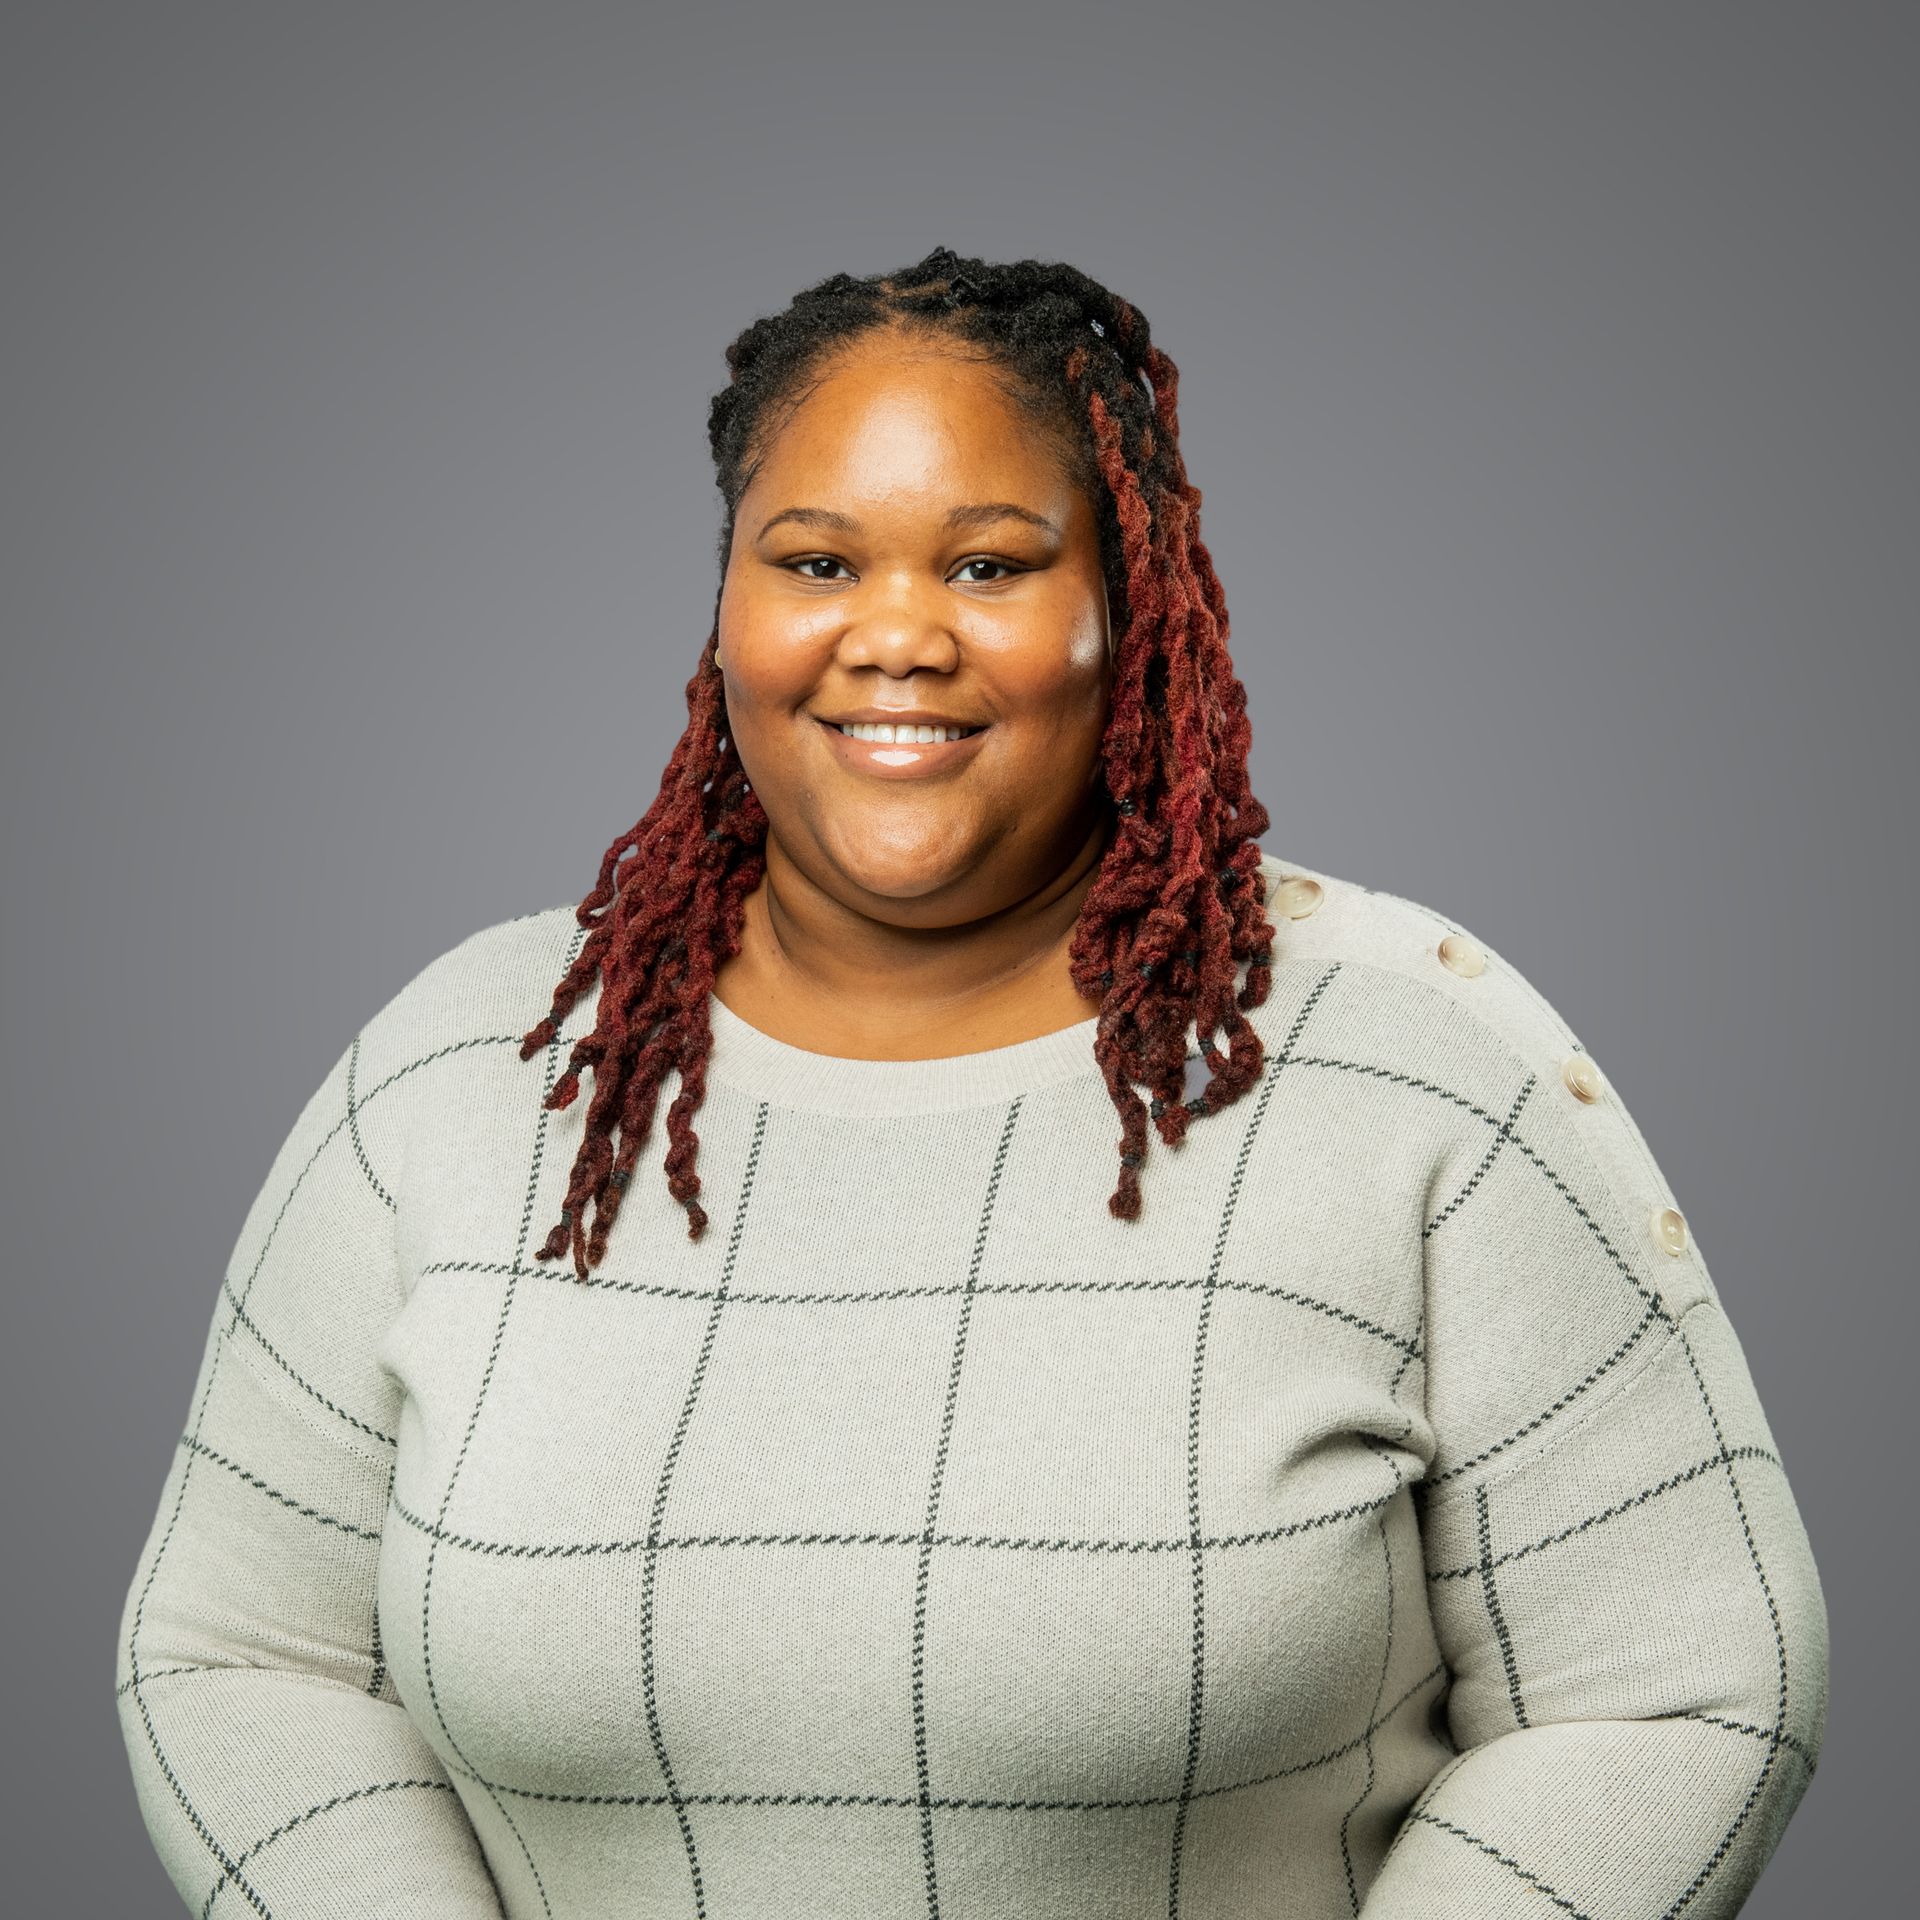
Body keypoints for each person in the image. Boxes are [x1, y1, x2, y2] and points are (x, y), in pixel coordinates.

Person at [114, 248, 1828, 1917]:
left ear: (1127, 608)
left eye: (992, 567)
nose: (897, 638)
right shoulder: (471, 1066)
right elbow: (234, 1658)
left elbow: (1680, 1690)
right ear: (730, 607)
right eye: (817, 563)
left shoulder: (1421, 1069)